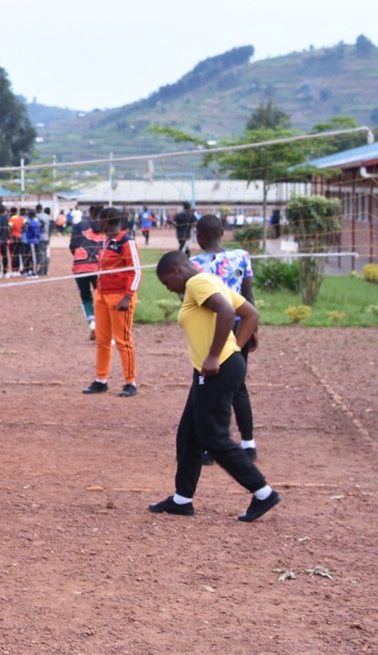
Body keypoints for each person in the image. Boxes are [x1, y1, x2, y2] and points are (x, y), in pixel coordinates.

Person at [149, 252, 280, 522]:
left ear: (175, 270)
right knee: (189, 433)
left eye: (166, 282)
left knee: (213, 437)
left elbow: (228, 312)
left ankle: (263, 491)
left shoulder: (197, 284)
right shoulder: (210, 280)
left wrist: (216, 355)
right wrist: (233, 350)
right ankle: (182, 499)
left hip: (216, 368)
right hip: (213, 368)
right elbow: (251, 314)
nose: (169, 288)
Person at [191, 214, 257, 458]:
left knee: (208, 386)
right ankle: (248, 444)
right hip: (241, 325)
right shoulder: (241, 256)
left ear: (198, 236)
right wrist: (253, 330)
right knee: (238, 385)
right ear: (222, 233)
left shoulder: (194, 264)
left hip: (213, 329)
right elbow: (249, 295)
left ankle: (210, 445)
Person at [83, 206, 140, 397]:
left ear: (106, 221)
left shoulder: (126, 241)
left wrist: (127, 296)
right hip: (102, 295)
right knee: (102, 340)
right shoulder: (107, 240)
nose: (97, 222)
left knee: (123, 341)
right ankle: (101, 380)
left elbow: (136, 271)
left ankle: (130, 382)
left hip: (120, 298)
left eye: (99, 220)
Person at [69, 204, 103, 339]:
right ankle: (102, 326)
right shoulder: (106, 227)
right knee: (102, 297)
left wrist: (78, 255)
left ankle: (92, 322)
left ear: (89, 211)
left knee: (85, 296)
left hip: (80, 265)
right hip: (100, 266)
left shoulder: (79, 225)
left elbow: (72, 245)